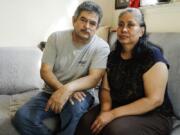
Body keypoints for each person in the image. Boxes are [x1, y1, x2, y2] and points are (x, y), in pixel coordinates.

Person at [12, 1, 110, 135]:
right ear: (74, 20)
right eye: (83, 20)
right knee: (22, 118)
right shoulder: (56, 38)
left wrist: (68, 89)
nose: (87, 26)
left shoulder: (102, 47)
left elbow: (94, 79)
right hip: (50, 90)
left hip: (81, 94)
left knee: (74, 109)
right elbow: (45, 71)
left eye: (92, 23)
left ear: (97, 26)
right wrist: (61, 90)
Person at [75, 8, 174, 135]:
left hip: (153, 114)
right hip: (119, 105)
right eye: (121, 24)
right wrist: (105, 111)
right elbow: (106, 90)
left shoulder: (152, 55)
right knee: (86, 122)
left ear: (141, 31)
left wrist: (112, 114)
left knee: (115, 129)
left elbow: (155, 100)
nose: (124, 29)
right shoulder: (112, 56)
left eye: (130, 25)